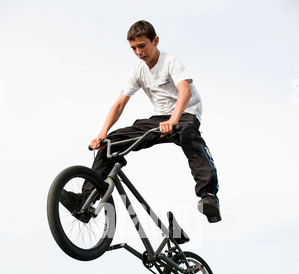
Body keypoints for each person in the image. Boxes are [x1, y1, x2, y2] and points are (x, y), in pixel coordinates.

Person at [61, 20, 221, 223]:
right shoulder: (138, 70)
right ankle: (85, 201)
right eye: (133, 48)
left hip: (185, 114)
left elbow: (185, 91)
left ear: (155, 41)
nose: (138, 52)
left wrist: (173, 120)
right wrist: (102, 133)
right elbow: (119, 104)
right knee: (109, 143)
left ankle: (209, 196)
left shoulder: (170, 61)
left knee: (189, 135)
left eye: (142, 46)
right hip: (160, 119)